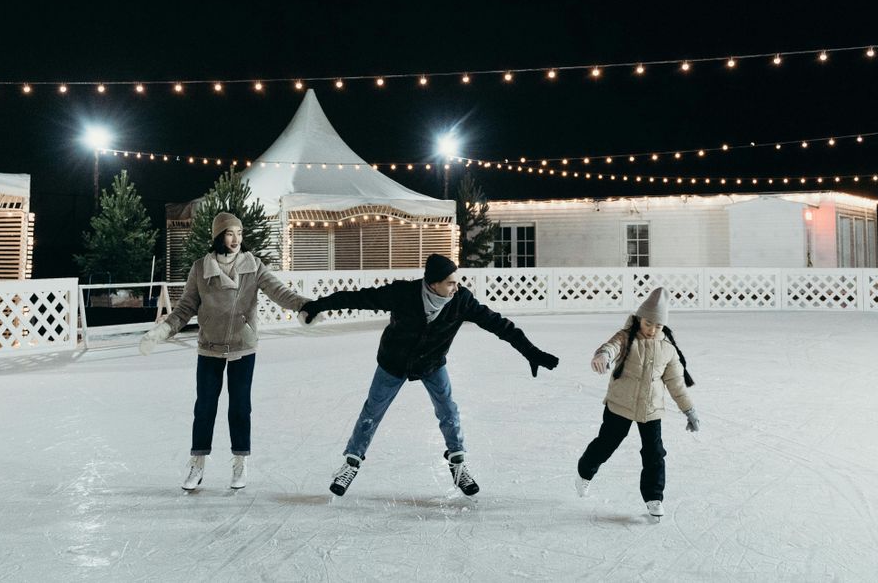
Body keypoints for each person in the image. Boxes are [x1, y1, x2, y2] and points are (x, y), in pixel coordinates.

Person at [299, 253, 561, 497]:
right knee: (372, 412)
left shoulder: (461, 301)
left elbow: (500, 325)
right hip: (394, 362)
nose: (455, 287)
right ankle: (351, 464)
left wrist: (531, 352)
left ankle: (458, 465)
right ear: (433, 284)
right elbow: (357, 298)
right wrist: (317, 306)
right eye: (450, 283)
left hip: (432, 363)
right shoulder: (403, 293)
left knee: (448, 409)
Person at [139, 212, 310, 492]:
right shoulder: (200, 268)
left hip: (243, 346)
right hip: (210, 347)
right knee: (205, 407)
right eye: (230, 234)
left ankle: (240, 461)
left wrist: (305, 305)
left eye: (240, 234)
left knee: (240, 407)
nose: (236, 239)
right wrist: (162, 331)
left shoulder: (253, 266)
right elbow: (185, 308)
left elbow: (280, 292)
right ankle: (197, 463)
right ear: (219, 236)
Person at [575, 287, 698, 518]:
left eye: (658, 326)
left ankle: (654, 498)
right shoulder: (626, 337)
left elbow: (676, 384)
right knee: (606, 444)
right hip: (620, 404)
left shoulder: (668, 349)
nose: (652, 330)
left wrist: (689, 410)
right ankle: (584, 472)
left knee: (654, 454)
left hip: (650, 409)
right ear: (640, 318)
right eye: (648, 323)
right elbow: (611, 347)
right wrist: (602, 355)